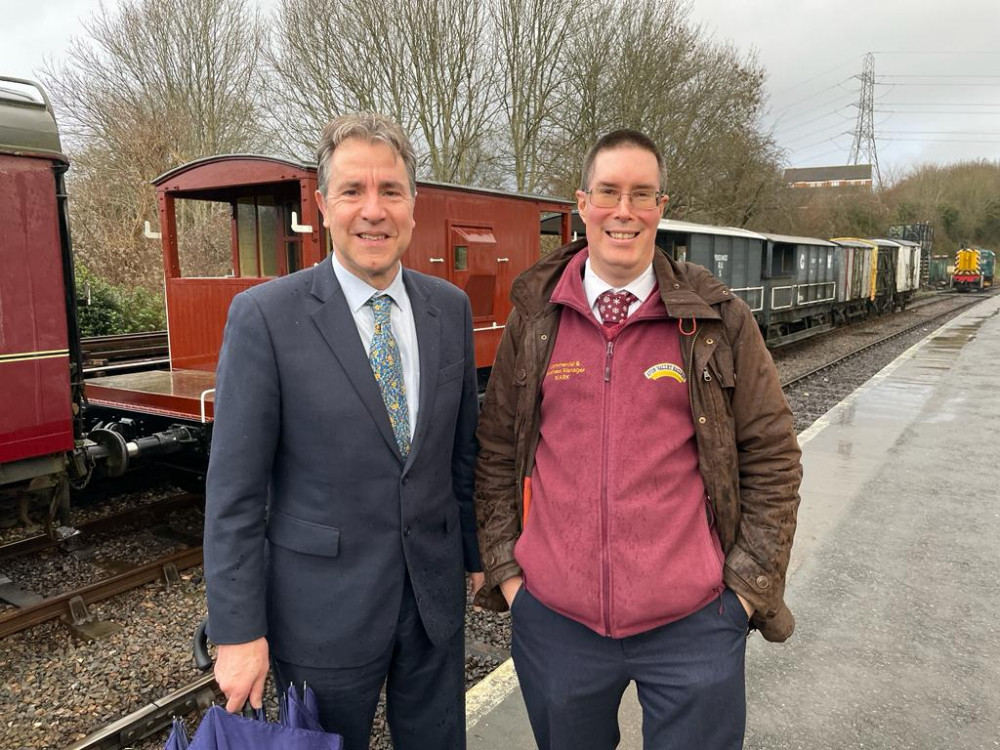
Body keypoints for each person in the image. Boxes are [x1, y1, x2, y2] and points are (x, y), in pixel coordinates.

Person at [473, 129, 802, 749]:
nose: (623, 211)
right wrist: (513, 580)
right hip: (557, 626)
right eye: (608, 192)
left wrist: (742, 594)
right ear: (581, 203)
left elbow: (774, 457)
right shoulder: (536, 317)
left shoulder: (717, 317)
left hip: (695, 625)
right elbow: (494, 455)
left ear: (660, 207)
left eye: (641, 195)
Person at [203, 113, 484, 750]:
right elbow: (235, 496)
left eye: (391, 190)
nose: (373, 210)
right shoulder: (265, 319)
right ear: (324, 205)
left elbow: (459, 453)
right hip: (320, 614)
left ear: (415, 205)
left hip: (432, 605)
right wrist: (239, 632)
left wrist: (473, 554)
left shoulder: (450, 309)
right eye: (353, 191)